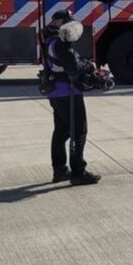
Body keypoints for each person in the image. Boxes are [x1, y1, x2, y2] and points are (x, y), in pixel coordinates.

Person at [42, 9, 101, 186]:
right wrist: (88, 67)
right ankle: (78, 172)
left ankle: (59, 170)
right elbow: (73, 69)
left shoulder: (50, 40)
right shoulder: (60, 43)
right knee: (79, 131)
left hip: (56, 92)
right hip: (68, 92)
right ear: (61, 23)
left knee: (61, 131)